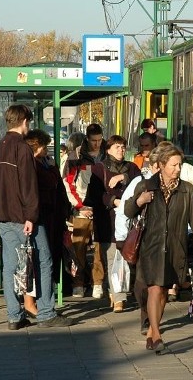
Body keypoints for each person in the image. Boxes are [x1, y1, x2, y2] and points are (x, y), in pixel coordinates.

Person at [0, 104, 73, 329]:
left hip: (3, 215)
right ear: (25, 121)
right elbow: (28, 185)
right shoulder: (22, 148)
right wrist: (30, 216)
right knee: (43, 261)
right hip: (24, 217)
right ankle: (46, 312)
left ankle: (14, 316)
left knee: (10, 265)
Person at [116, 140, 193, 335]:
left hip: (175, 247)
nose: (178, 169)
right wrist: (140, 200)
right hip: (150, 247)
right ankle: (156, 333)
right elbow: (128, 210)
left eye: (180, 165)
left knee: (164, 291)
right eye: (174, 165)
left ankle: (153, 327)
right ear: (161, 165)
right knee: (154, 289)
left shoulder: (187, 190)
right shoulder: (146, 186)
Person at [89, 135, 141, 312]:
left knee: (128, 257)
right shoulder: (99, 168)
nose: (121, 150)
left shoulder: (132, 168)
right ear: (108, 149)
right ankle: (119, 298)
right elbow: (95, 196)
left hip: (130, 221)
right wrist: (113, 201)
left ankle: (116, 292)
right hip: (107, 221)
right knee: (112, 258)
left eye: (123, 147)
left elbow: (140, 186)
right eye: (117, 147)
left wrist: (122, 177)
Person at [24, 129, 72, 298]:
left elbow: (58, 186)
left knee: (51, 254)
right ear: (37, 147)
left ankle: (49, 290)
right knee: (43, 257)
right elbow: (50, 181)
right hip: (43, 214)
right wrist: (52, 168)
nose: (47, 151)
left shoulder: (44, 162)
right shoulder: (35, 164)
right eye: (44, 147)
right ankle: (42, 298)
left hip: (54, 214)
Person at [63, 123, 107, 298]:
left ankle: (98, 282)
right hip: (81, 209)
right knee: (78, 247)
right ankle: (78, 282)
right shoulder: (75, 157)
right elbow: (68, 182)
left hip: (101, 208)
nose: (97, 144)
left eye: (99, 140)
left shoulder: (107, 153)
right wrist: (80, 205)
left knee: (99, 248)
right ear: (87, 139)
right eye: (93, 140)